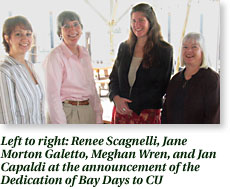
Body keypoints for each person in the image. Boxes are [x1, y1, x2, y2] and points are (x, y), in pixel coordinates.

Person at [109, 3, 173, 124]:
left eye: (141, 20)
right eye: (133, 21)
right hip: (122, 112)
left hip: (147, 114)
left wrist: (133, 104)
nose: (136, 25)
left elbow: (161, 87)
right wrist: (116, 98)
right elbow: (114, 78)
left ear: (151, 22)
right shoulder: (124, 47)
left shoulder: (164, 50)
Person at [43, 11, 103, 124]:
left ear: (81, 28)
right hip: (68, 113)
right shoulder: (55, 56)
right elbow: (53, 96)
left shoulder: (84, 53)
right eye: (66, 26)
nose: (72, 30)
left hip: (88, 111)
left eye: (76, 24)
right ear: (59, 32)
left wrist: (98, 114)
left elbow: (92, 87)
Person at [162, 32, 220, 124]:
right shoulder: (176, 79)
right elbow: (165, 112)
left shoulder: (212, 80)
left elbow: (213, 117)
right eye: (185, 47)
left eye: (194, 47)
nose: (189, 51)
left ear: (202, 51)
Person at [0, 16, 45, 124]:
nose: (25, 39)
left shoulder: (30, 66)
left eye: (28, 34)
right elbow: (9, 120)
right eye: (18, 34)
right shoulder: (4, 72)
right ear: (7, 38)